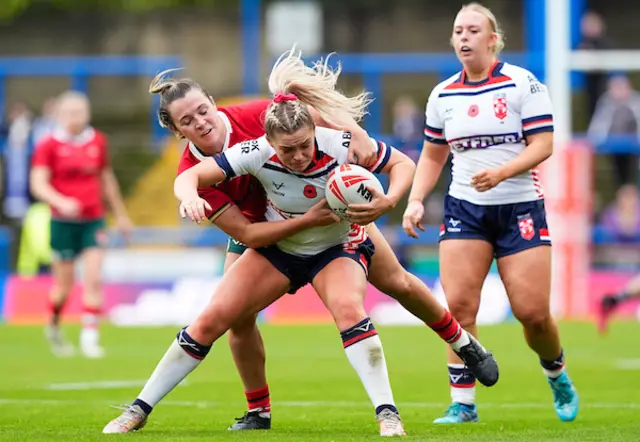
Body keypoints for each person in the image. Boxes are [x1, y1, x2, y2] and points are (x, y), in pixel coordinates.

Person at [103, 48, 498, 436]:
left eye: (203, 110)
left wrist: (373, 174)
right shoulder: (240, 155)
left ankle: (452, 353)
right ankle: (182, 410)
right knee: (221, 318)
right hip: (269, 232)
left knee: (396, 285)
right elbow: (246, 232)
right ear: (176, 131)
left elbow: (332, 127)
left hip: (337, 231)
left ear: (212, 102)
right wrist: (190, 196)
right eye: (187, 121)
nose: (201, 122)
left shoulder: (268, 118)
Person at [402, 2, 579, 424]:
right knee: (459, 308)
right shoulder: (443, 94)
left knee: (532, 314)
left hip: (519, 207)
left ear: (492, 39)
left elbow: (543, 145)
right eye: (458, 31)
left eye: (473, 30)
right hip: (465, 208)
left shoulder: (523, 83)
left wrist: (501, 172)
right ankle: (463, 404)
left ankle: (555, 371)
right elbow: (432, 155)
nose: (464, 37)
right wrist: (414, 198)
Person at [30, 91, 133, 358]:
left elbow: (106, 179)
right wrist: (60, 201)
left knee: (94, 278)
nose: (76, 118)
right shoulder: (48, 145)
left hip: (93, 220)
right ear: (60, 115)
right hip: (62, 223)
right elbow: (38, 183)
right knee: (63, 288)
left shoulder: (97, 141)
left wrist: (120, 214)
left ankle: (90, 337)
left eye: (80, 112)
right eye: (70, 113)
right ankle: (53, 324)